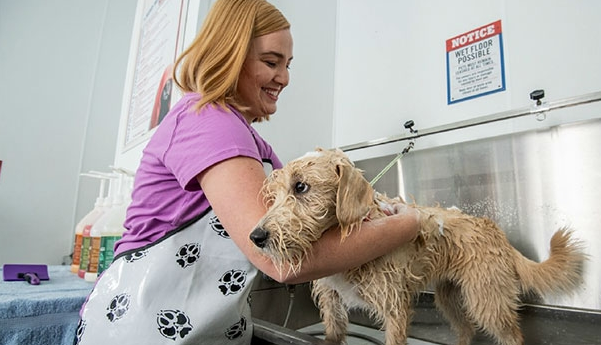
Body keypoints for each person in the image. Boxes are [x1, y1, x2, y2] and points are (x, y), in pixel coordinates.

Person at [74, 0, 418, 344]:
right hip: (145, 328)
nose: (283, 78)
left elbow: (304, 223)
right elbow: (279, 258)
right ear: (230, 54)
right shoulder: (209, 122)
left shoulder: (247, 138)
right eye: (271, 62)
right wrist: (407, 224)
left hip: (199, 326)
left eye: (287, 65)